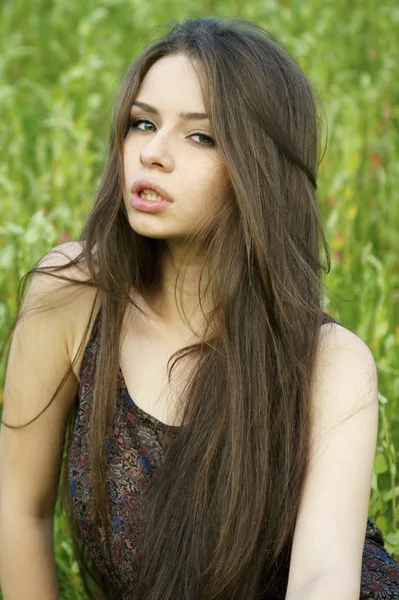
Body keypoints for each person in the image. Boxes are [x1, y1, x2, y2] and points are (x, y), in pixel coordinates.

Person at [0, 15, 397, 600]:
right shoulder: (73, 294)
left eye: (201, 136)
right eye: (143, 123)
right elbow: (18, 510)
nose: (152, 155)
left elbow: (322, 580)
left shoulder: (330, 364)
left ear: (258, 170)